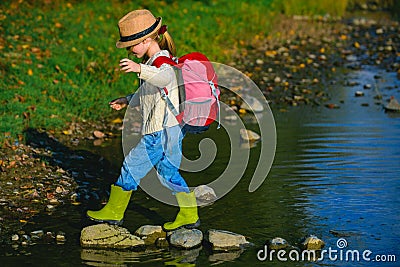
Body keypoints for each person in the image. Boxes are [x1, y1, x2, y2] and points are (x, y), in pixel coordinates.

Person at [86, 9, 200, 232]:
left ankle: (114, 212)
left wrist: (140, 69)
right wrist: (127, 100)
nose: (130, 50)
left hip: (160, 131)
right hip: (172, 128)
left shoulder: (161, 61)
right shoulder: (153, 62)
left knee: (131, 166)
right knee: (168, 172)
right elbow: (152, 92)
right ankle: (189, 214)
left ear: (147, 40)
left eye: (132, 45)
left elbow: (165, 77)